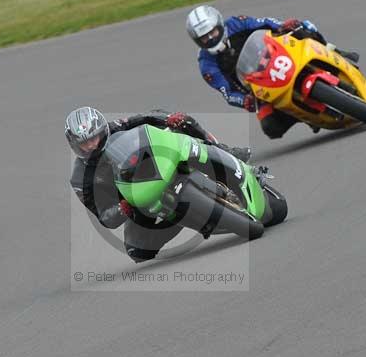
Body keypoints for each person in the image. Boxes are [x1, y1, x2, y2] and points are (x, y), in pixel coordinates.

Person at [66, 106, 252, 262]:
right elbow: (105, 217)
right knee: (137, 252)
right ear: (74, 145)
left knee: (182, 122)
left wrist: (168, 119)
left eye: (93, 138)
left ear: (102, 131)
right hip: (136, 200)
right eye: (84, 143)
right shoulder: (79, 179)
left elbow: (146, 118)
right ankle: (183, 218)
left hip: (156, 165)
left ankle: (225, 153)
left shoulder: (114, 128)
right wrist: (122, 208)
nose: (91, 146)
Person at [186, 5, 359, 139]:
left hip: (276, 55)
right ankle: (305, 116)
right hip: (257, 90)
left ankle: (335, 52)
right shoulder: (206, 65)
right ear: (197, 41)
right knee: (271, 128)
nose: (210, 38)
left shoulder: (236, 23)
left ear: (219, 24)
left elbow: (264, 23)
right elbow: (227, 93)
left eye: (212, 32)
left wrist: (283, 26)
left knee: (303, 27)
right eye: (204, 37)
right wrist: (244, 100)